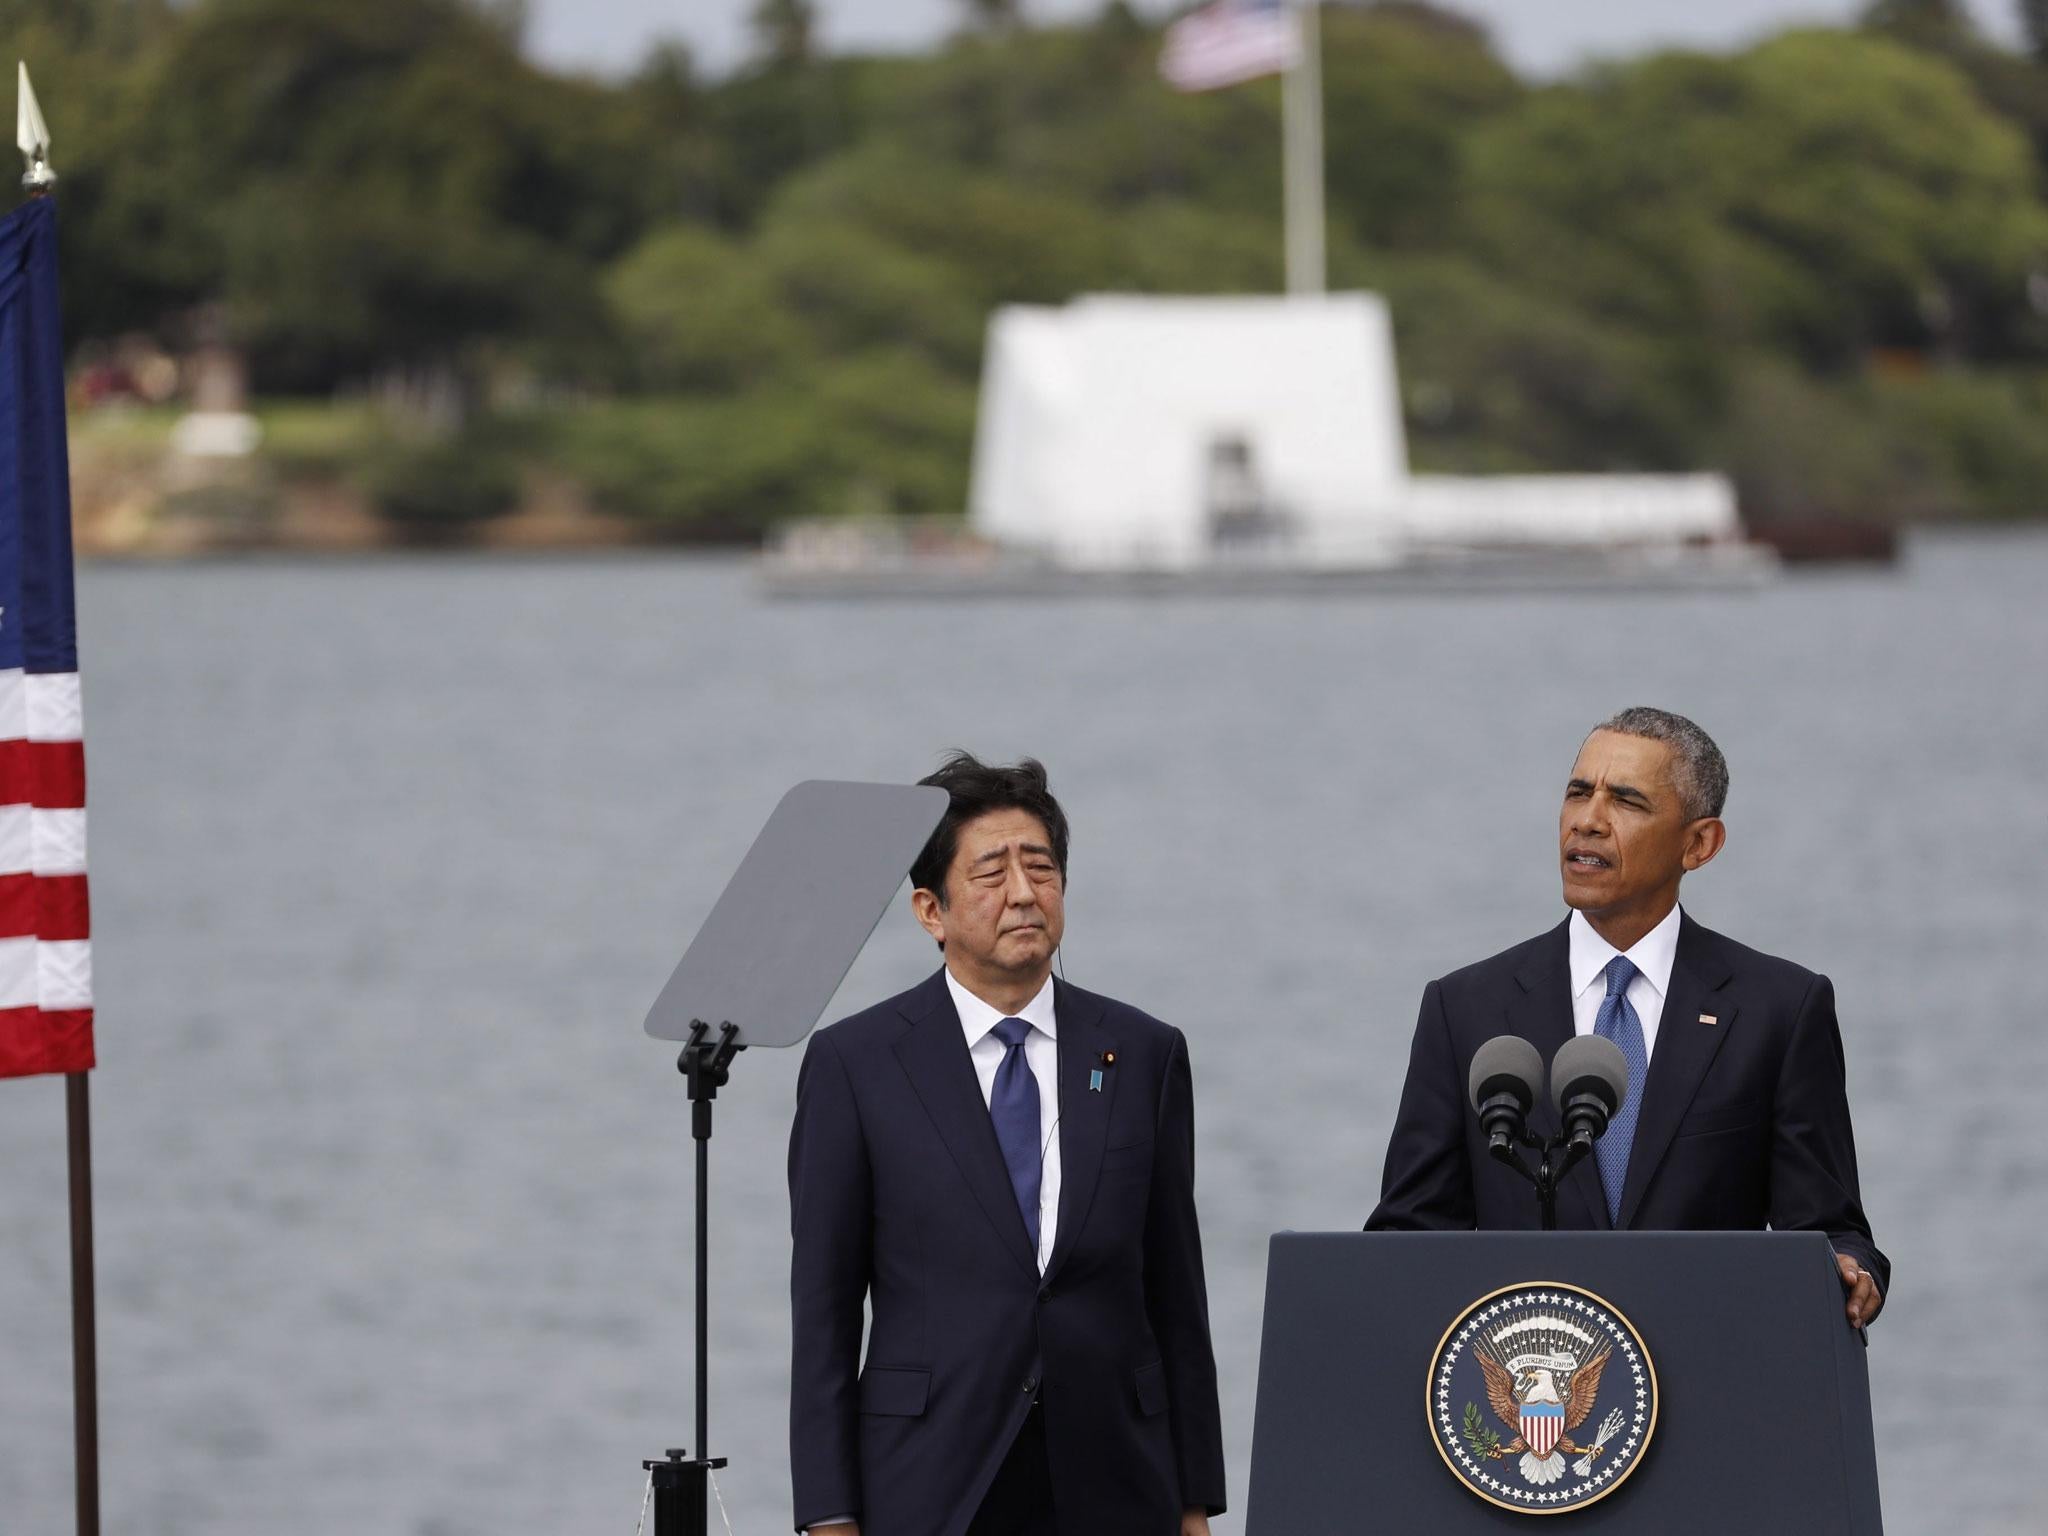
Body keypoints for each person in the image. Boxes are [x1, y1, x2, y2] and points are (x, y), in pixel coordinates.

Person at [789, 754, 1226, 1536]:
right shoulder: (857, 1065)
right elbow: (823, 1315)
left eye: (1043, 868)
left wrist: (1194, 1503)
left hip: (1118, 1480)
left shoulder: (1143, 1052)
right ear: (932, 909)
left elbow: (1176, 1296)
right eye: (992, 873)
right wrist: (829, 1516)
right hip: (931, 1480)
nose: (1025, 893)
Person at [1366, 707, 1889, 1328]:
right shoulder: (1466, 1008)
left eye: (1627, 801)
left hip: (1711, 1382)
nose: (1588, 820)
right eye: (1578, 792)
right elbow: (1409, 1234)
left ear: (1700, 843)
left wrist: (1849, 1268)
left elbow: (1829, 1229)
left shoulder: (1779, 1008)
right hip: (1532, 1399)